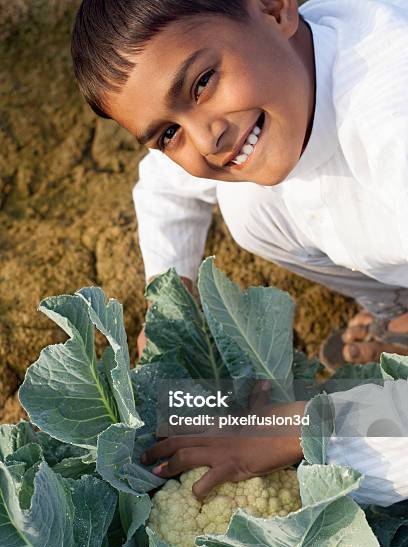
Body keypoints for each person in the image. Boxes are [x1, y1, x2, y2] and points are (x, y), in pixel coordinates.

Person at [71, 0, 408, 503]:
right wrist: (171, 304)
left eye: (203, 82)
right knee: (246, 204)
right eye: (169, 133)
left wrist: (296, 432)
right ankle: (399, 306)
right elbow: (166, 188)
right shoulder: (278, 81)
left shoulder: (391, 119)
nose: (207, 140)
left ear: (274, 9)